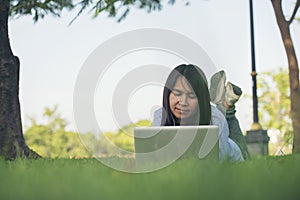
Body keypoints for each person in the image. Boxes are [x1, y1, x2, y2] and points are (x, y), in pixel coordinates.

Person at [152, 64, 250, 162]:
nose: (183, 102)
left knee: (227, 119)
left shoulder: (216, 118)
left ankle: (227, 107)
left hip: (231, 152)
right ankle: (222, 100)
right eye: (177, 94)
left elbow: (219, 165)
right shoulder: (160, 116)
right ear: (167, 94)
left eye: (191, 95)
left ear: (200, 99)